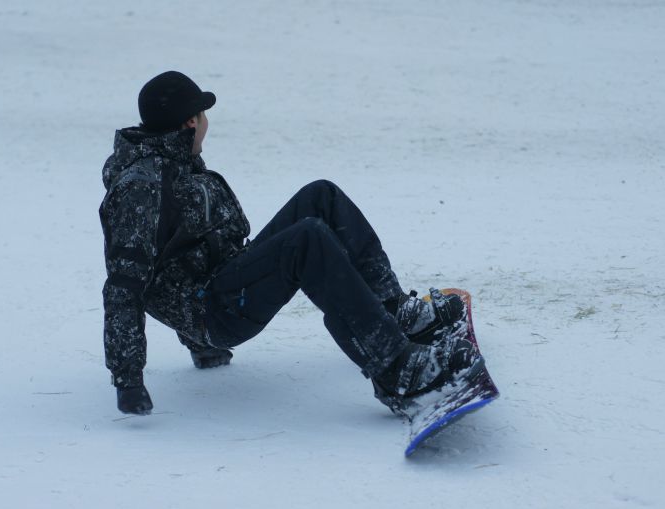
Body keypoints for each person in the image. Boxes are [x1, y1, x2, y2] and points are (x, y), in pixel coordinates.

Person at [99, 71, 477, 416]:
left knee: (321, 196)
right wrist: (127, 378)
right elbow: (126, 285)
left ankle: (393, 313)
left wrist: (200, 347)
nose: (208, 125)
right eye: (204, 115)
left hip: (219, 286)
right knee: (306, 240)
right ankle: (398, 371)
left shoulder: (172, 157)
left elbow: (182, 249)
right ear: (190, 122)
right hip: (216, 310)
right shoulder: (142, 187)